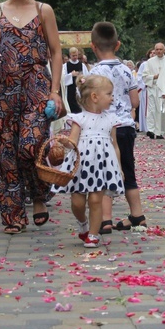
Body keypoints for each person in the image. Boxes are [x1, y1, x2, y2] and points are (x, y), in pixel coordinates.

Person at [0, 0, 63, 234]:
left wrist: (55, 92)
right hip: (5, 88)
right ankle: (13, 217)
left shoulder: (43, 10)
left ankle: (39, 195)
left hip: (37, 84)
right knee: (5, 153)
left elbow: (56, 52)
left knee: (31, 144)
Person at [87, 22, 147, 233]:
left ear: (93, 46)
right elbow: (135, 102)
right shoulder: (127, 70)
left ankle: (106, 220)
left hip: (104, 129)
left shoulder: (94, 73)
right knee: (128, 171)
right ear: (118, 45)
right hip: (126, 128)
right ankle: (137, 215)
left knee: (104, 172)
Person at [52, 75, 124, 248]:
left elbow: (115, 146)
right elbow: (73, 142)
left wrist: (118, 168)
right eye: (109, 94)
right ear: (95, 97)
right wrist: (64, 142)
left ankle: (93, 233)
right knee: (77, 202)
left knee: (95, 200)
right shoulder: (79, 119)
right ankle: (83, 222)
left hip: (101, 167)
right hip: (80, 166)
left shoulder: (111, 119)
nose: (112, 98)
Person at [142, 42, 165, 139]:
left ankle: (159, 132)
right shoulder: (150, 62)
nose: (158, 51)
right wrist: (154, 76)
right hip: (153, 87)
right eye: (157, 49)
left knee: (162, 111)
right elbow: (144, 76)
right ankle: (151, 130)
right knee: (151, 109)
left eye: (160, 49)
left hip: (163, 89)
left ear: (164, 50)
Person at [62, 47, 89, 114]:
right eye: (73, 56)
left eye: (76, 55)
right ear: (70, 55)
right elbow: (62, 79)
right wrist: (71, 75)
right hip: (69, 90)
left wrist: (83, 79)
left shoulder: (82, 65)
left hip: (79, 89)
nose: (75, 57)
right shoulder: (65, 66)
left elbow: (87, 77)